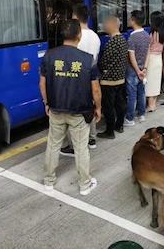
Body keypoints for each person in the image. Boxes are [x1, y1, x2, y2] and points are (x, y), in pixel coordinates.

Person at [39, 19, 101, 196]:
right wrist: (98, 107)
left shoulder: (49, 56)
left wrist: (47, 103)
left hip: (56, 110)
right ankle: (84, 185)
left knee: (53, 145)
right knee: (81, 148)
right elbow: (95, 89)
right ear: (79, 36)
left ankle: (49, 181)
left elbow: (42, 84)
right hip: (80, 112)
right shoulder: (88, 59)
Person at [73, 4, 101, 149]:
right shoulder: (95, 36)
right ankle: (92, 138)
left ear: (75, 17)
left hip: (78, 75)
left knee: (77, 111)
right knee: (90, 106)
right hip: (91, 73)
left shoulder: (76, 37)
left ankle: (78, 141)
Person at [97, 16, 129, 139]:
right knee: (120, 104)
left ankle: (109, 131)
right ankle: (119, 125)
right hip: (120, 78)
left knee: (108, 106)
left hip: (109, 80)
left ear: (112, 25)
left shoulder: (112, 42)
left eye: (106, 24)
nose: (104, 27)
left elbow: (103, 62)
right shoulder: (122, 40)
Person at [124, 10, 150, 127]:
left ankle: (130, 118)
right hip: (143, 69)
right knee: (142, 92)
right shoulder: (146, 35)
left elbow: (131, 56)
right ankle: (141, 114)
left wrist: (137, 70)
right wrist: (144, 68)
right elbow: (148, 53)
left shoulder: (132, 37)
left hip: (132, 70)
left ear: (133, 20)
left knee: (132, 94)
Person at [145, 11, 164, 112]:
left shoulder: (153, 33)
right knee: (156, 82)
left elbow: (148, 50)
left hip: (152, 59)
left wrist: (145, 66)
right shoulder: (162, 33)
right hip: (159, 59)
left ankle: (150, 106)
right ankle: (154, 104)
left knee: (150, 82)